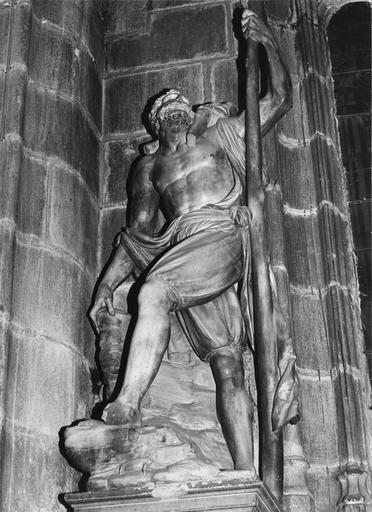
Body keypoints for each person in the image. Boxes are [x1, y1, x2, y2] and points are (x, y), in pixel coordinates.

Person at [90, 10, 297, 473]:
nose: (177, 109)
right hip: (181, 243)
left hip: (224, 232)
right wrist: (105, 285)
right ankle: (248, 474)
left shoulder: (221, 137)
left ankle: (126, 404)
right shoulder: (148, 169)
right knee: (227, 363)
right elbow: (137, 235)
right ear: (156, 123)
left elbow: (279, 99)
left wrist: (267, 43)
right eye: (168, 109)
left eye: (182, 105)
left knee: (156, 292)